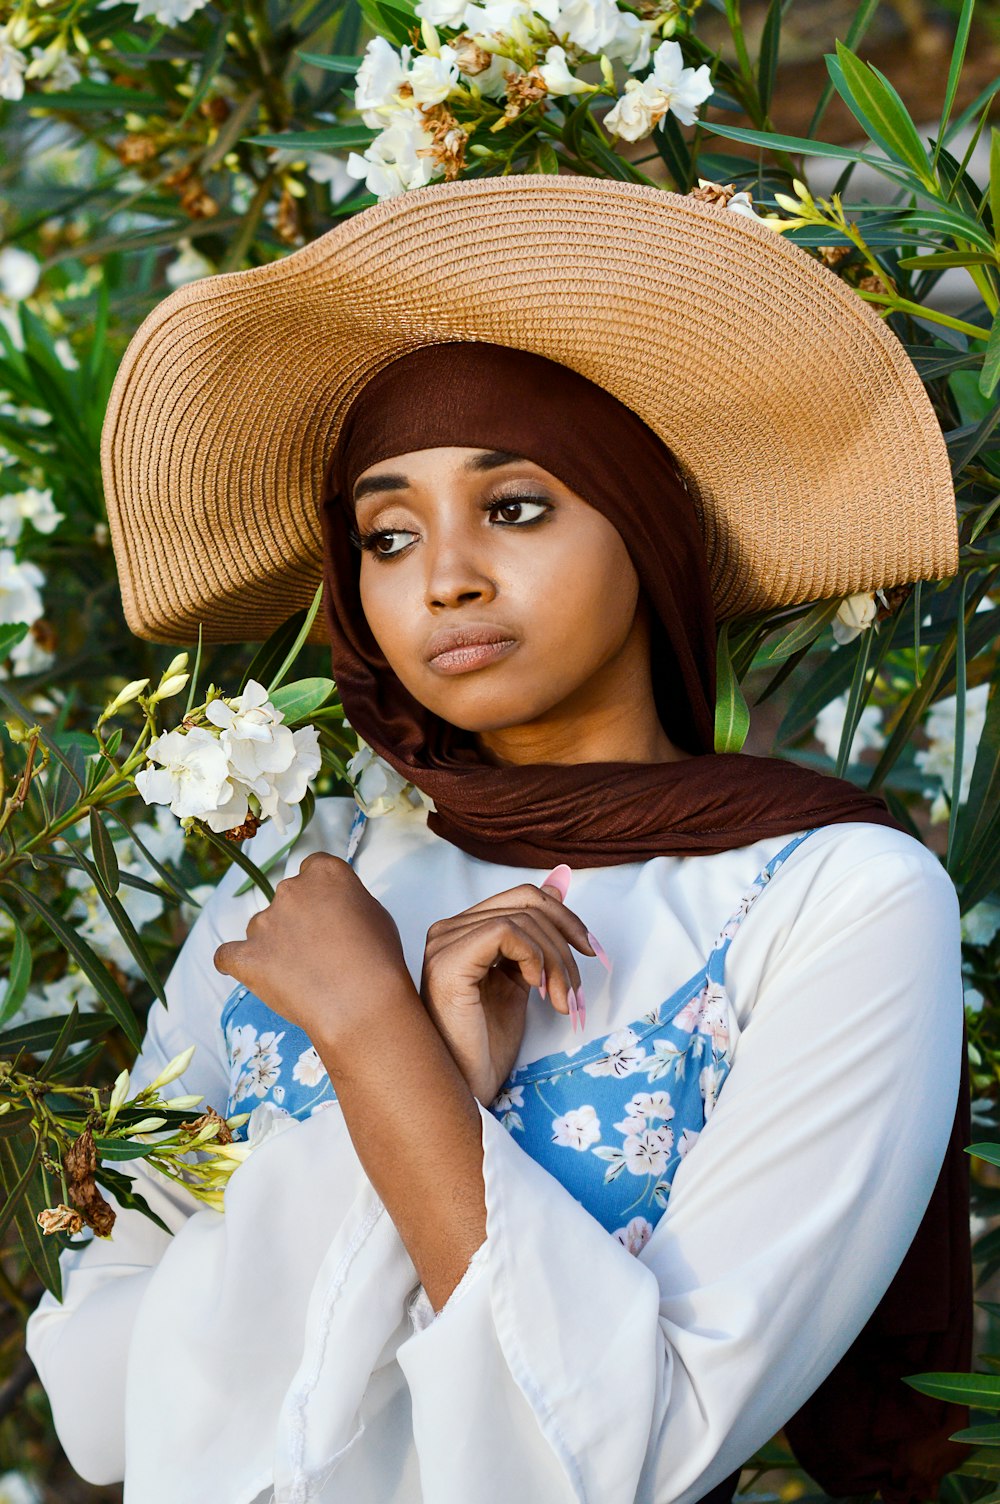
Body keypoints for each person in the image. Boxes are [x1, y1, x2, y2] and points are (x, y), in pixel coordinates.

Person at [26, 175, 971, 1504]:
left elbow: (639, 1445)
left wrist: (377, 1044)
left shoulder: (837, 902)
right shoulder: (304, 900)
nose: (445, 575)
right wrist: (406, 1065)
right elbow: (102, 1406)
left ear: (644, 524)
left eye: (515, 507)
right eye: (387, 532)